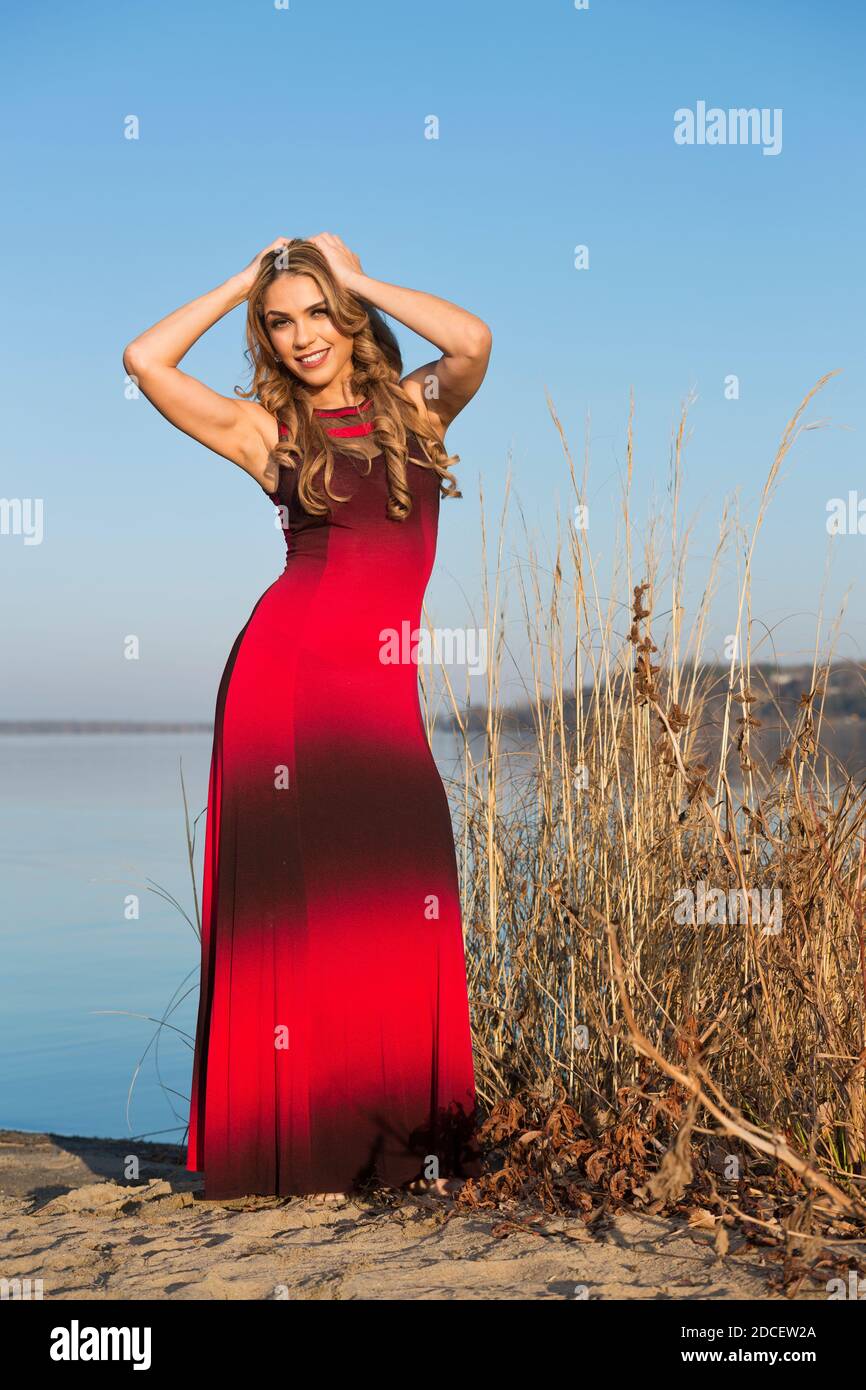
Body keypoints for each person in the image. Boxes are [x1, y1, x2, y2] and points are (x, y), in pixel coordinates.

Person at [122, 233, 492, 1200]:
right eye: (279, 323)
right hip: (284, 685)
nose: (301, 337)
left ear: (350, 316)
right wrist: (245, 278)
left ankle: (402, 1142)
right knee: (294, 905)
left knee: (407, 877)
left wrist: (350, 275)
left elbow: (473, 340)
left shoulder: (415, 410)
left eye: (317, 315)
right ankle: (287, 1149)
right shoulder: (267, 433)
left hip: (379, 695)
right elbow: (145, 360)